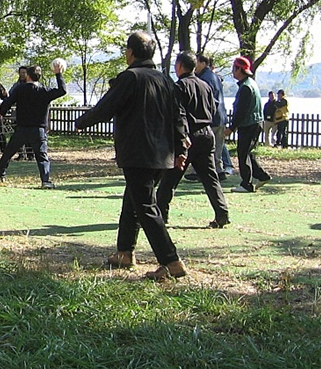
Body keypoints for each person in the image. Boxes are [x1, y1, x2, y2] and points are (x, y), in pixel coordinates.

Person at [74, 31, 189, 281]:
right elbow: (178, 116)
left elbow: (106, 107)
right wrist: (181, 148)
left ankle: (171, 261)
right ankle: (124, 252)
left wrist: (81, 122)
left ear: (130, 52)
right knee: (133, 200)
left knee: (146, 206)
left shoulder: (131, 77)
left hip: (139, 152)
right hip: (162, 153)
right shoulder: (165, 79)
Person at [156, 51, 230, 229]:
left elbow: (178, 115)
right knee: (210, 178)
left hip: (188, 135)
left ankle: (160, 215)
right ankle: (222, 213)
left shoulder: (179, 86)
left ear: (180, 66)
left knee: (170, 178)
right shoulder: (205, 85)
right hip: (207, 134)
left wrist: (179, 140)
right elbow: (213, 108)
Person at [0, 62, 67, 189]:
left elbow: (8, 101)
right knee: (42, 156)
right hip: (38, 129)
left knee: (8, 153)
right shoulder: (44, 91)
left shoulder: (20, 89)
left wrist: (2, 111)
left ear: (27, 76)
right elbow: (62, 90)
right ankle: (45, 181)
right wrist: (58, 74)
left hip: (22, 128)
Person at [226, 56, 272, 193]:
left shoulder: (246, 87)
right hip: (256, 123)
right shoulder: (251, 83)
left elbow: (241, 111)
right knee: (247, 152)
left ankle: (246, 184)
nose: (232, 71)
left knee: (243, 153)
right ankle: (262, 176)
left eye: (234, 68)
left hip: (249, 124)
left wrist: (231, 128)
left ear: (239, 69)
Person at [194, 54, 233, 181]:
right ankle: (219, 171)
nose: (195, 65)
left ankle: (205, 172)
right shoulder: (215, 77)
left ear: (203, 63)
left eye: (197, 62)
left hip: (211, 118)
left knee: (205, 148)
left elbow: (207, 100)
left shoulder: (204, 79)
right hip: (221, 117)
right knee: (218, 148)